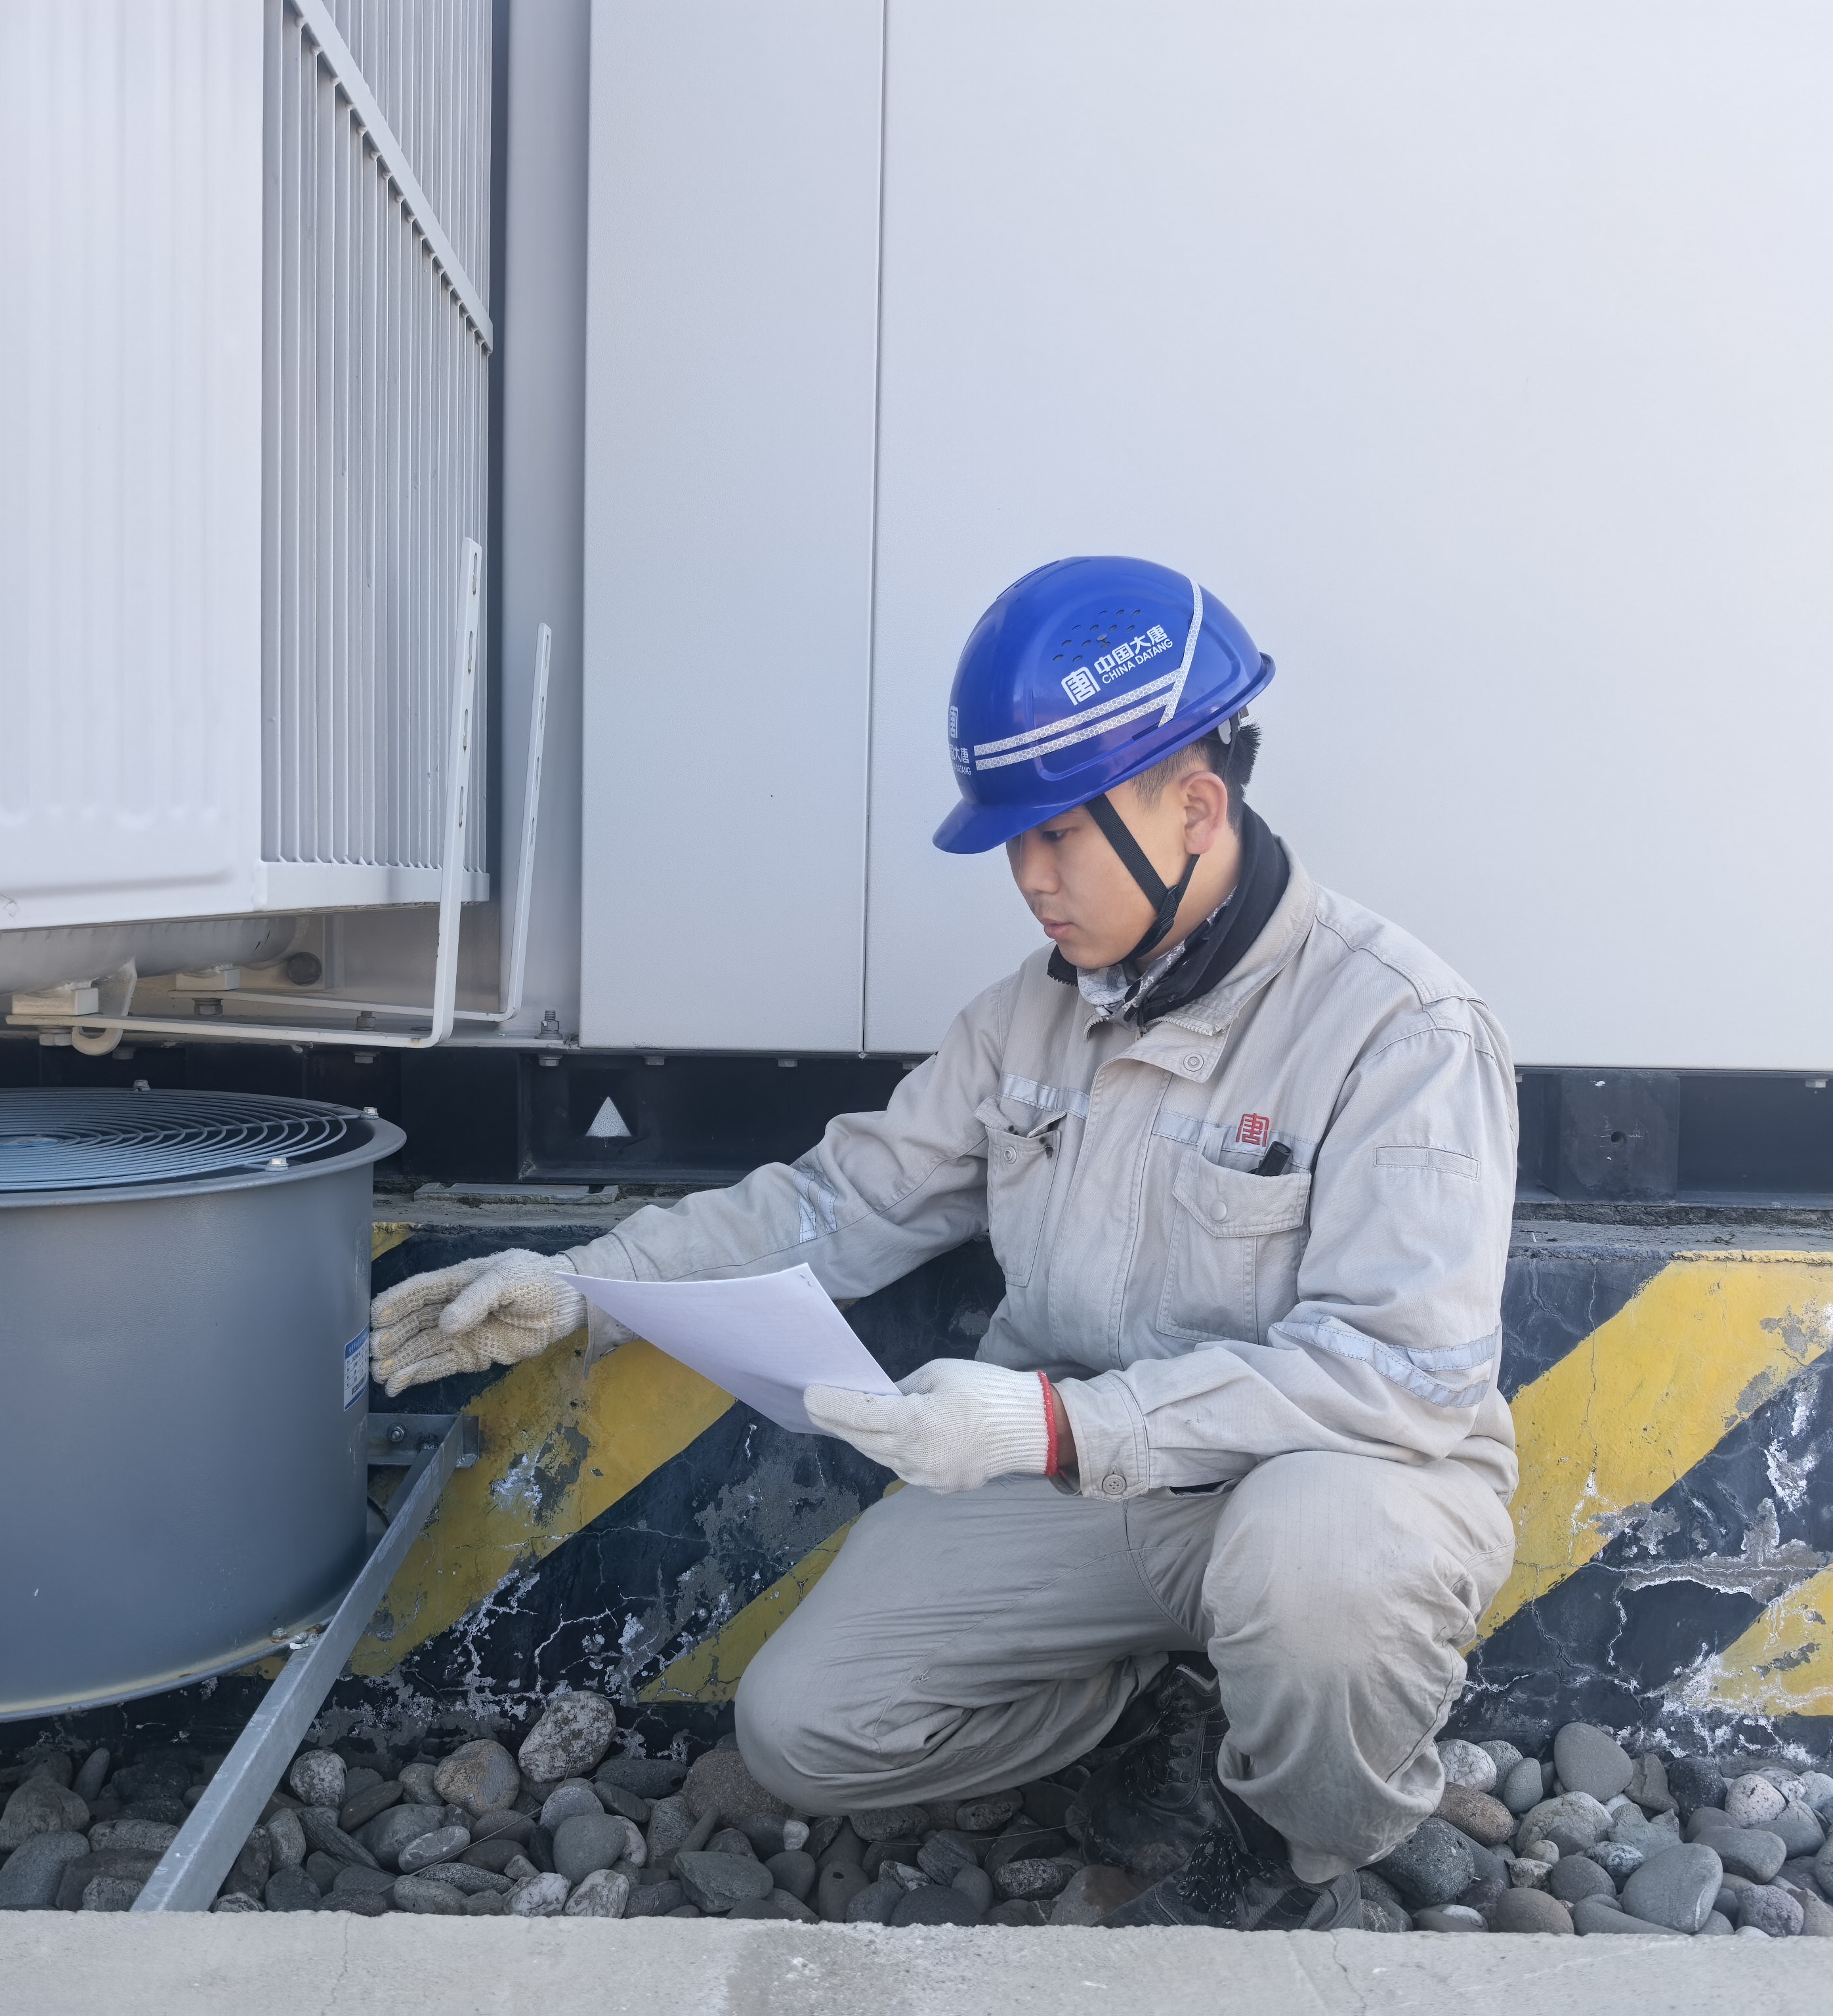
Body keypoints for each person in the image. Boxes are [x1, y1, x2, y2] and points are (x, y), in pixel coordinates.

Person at [371, 556, 1518, 1930]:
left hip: (1324, 1481)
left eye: (1056, 835)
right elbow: (835, 1204)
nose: (1027, 878)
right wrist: (583, 1285)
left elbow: (1399, 1370)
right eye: (1013, 841)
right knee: (807, 1729)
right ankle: (1164, 1714)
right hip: (1082, 1483)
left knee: (1317, 1584)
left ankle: (1295, 1844)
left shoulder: (1399, 1030)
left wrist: (1056, 1424)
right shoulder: (1024, 1021)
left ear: (1195, 808)